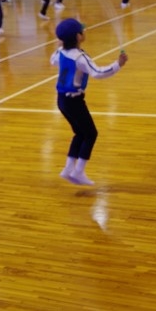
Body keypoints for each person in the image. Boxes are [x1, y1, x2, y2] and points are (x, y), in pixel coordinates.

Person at [52, 18, 128, 186]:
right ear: (78, 37)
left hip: (62, 100)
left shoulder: (60, 52)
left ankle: (68, 169)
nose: (84, 32)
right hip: (74, 101)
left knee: (80, 133)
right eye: (82, 30)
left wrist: (60, 47)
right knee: (91, 134)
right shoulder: (80, 57)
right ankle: (78, 171)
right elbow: (98, 72)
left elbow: (53, 60)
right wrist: (118, 64)